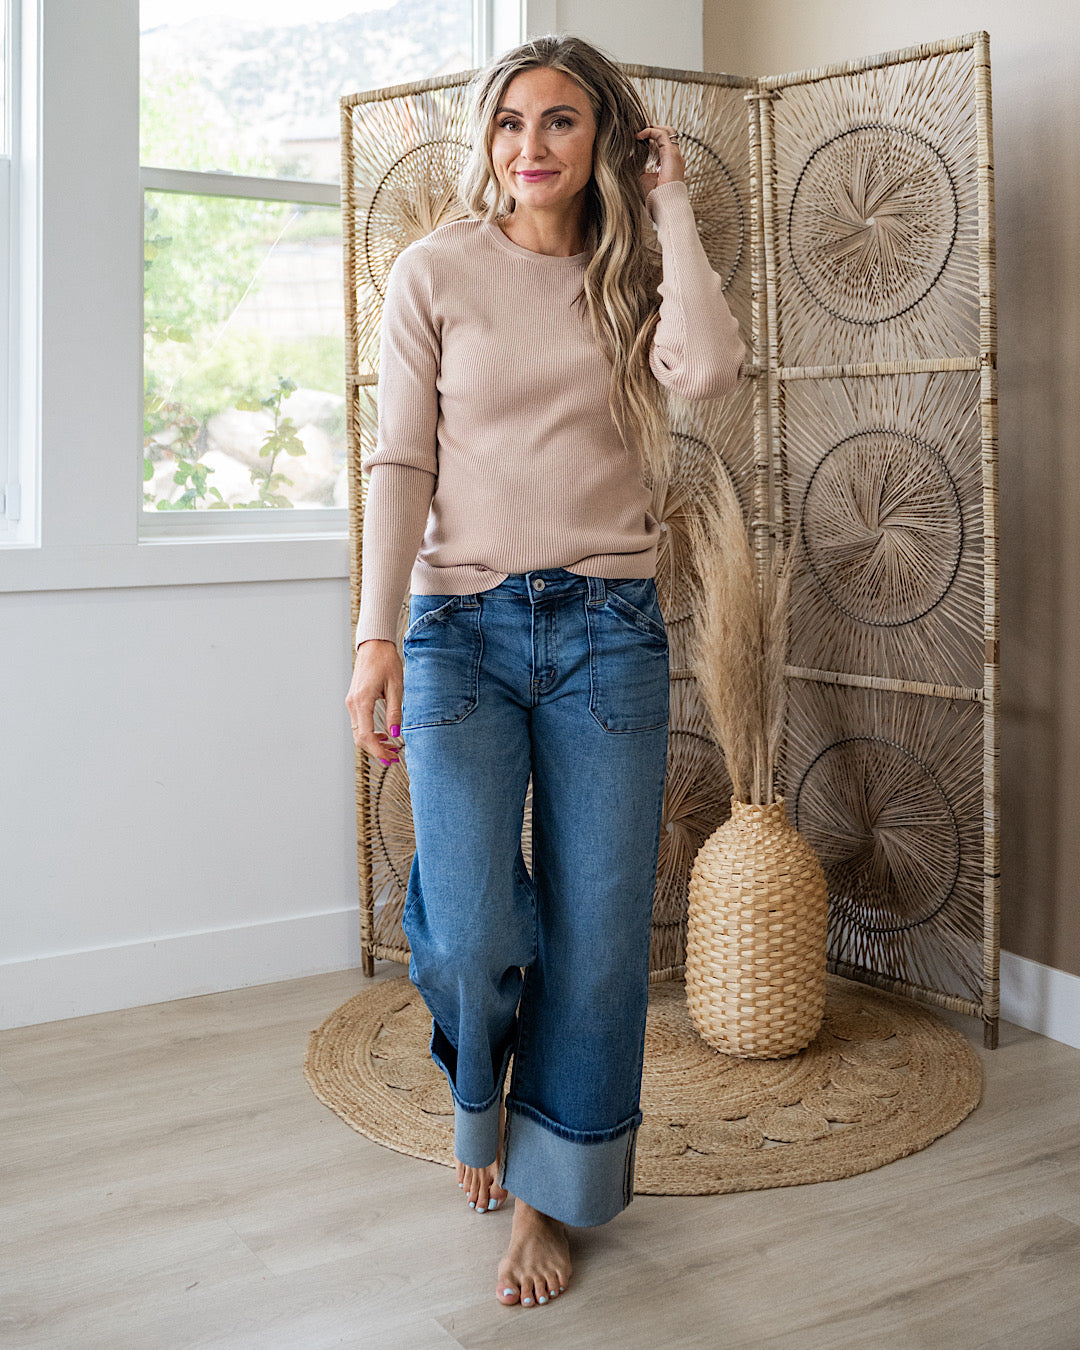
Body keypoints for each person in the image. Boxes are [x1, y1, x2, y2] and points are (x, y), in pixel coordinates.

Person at [345, 32, 746, 1310]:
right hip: (458, 629)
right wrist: (372, 637)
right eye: (511, 121)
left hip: (606, 631)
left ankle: (545, 1186)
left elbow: (710, 373)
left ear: (605, 137)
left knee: (600, 933)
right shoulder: (435, 271)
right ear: (487, 137)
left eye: (562, 120)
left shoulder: (634, 277)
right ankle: (483, 1098)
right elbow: (401, 461)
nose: (531, 145)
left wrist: (669, 204)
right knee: (471, 931)